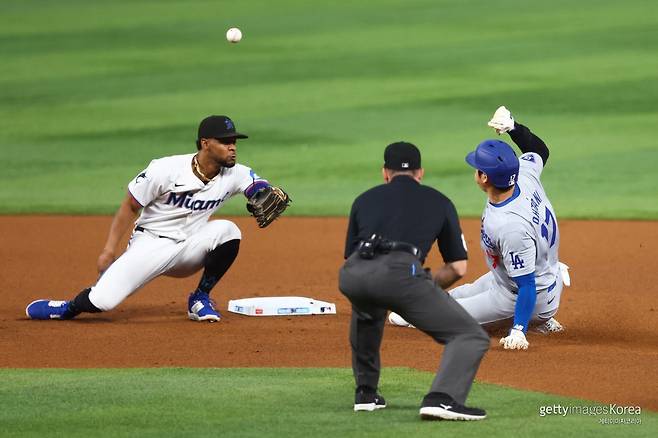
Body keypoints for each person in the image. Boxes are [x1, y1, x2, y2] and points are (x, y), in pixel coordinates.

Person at [26, 115, 289, 322]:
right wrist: (109, 250)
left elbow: (256, 185)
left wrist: (262, 192)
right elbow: (130, 205)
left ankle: (200, 298)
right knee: (102, 302)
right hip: (151, 244)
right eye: (225, 141)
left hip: (190, 248)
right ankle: (67, 308)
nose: (232, 147)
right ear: (205, 143)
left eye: (234, 141)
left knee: (229, 231)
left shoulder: (236, 173)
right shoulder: (165, 169)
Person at [389, 107, 566, 349]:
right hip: (520, 278)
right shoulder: (523, 175)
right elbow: (539, 151)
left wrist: (518, 331)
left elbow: (526, 285)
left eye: (478, 167)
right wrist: (514, 128)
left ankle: (535, 320)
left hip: (525, 295)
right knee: (453, 296)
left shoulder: (509, 225)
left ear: (484, 178)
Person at [339, 141, 490, 421]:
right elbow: (457, 268)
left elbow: (352, 257)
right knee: (469, 335)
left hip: (354, 273)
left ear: (385, 172)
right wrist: (421, 291)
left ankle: (366, 394)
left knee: (368, 310)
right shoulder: (439, 201)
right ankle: (442, 399)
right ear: (420, 173)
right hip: (399, 273)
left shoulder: (364, 199)